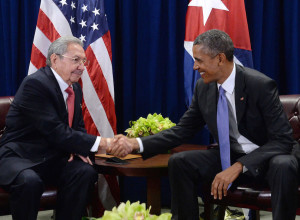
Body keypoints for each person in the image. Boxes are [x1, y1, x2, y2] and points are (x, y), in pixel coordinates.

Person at [107, 29, 299, 220]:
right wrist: (136, 144)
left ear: (220, 59)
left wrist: (239, 166)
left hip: (266, 159)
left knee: (284, 164)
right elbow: (182, 130)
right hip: (230, 155)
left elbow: (282, 140)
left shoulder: (260, 85)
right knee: (180, 162)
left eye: (199, 60)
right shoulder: (203, 87)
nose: (195, 67)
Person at [0, 36, 111, 220]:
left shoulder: (74, 89)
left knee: (85, 172)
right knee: (30, 181)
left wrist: (79, 148)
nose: (82, 67)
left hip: (51, 157)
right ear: (55, 59)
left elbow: (78, 128)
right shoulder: (35, 84)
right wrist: (103, 143)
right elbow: (55, 130)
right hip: (20, 156)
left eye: (84, 61)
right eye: (76, 60)